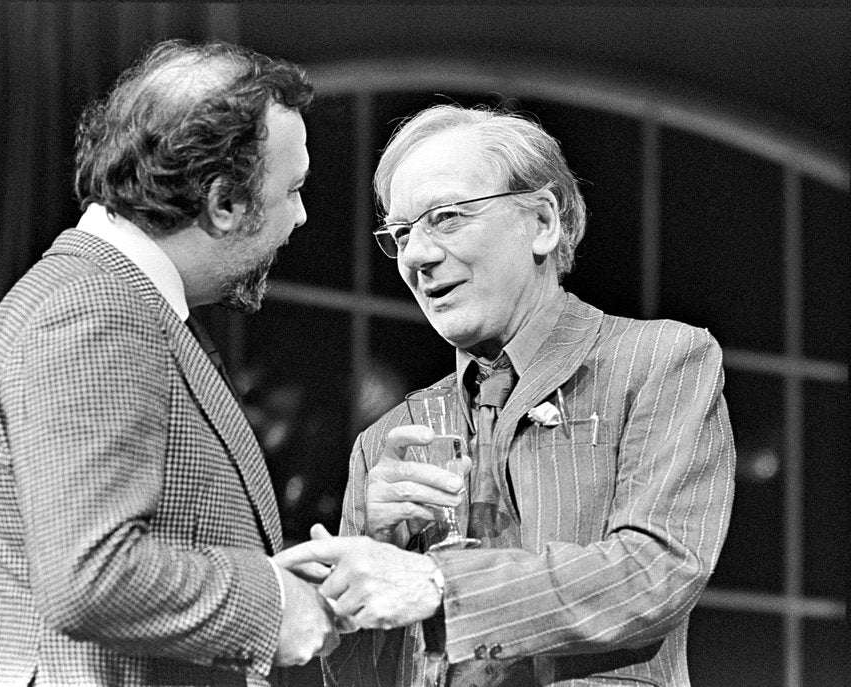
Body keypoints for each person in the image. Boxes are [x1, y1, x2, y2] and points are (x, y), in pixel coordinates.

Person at [275, 104, 736, 686]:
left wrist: (436, 586)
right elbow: (358, 679)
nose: (415, 256)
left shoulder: (660, 361)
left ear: (541, 222)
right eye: (401, 233)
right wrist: (373, 552)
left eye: (445, 218)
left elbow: (656, 571)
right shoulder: (385, 442)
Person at [0, 39, 340, 686]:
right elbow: (91, 575)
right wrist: (275, 604)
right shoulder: (95, 310)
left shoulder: (118, 300)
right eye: (293, 189)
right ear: (223, 202)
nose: (300, 216)